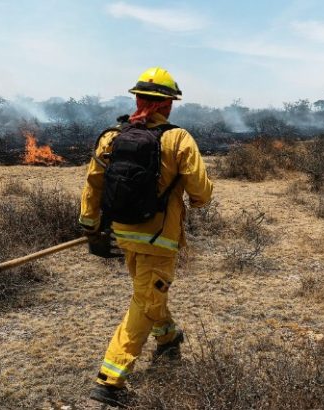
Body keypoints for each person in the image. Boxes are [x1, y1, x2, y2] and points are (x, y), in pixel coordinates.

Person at [79, 67, 213, 407]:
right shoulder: (178, 138)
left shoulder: (111, 137)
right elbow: (200, 189)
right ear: (168, 105)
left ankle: (167, 336)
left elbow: (93, 183)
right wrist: (197, 200)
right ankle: (110, 379)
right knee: (145, 300)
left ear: (137, 99)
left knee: (148, 290)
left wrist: (90, 224)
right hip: (159, 239)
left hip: (123, 233)